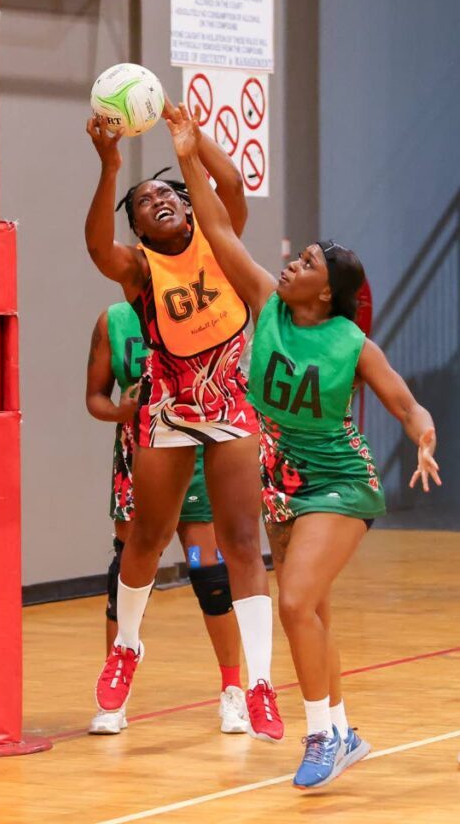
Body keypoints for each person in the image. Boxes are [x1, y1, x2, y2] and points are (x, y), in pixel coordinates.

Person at [164, 101, 442, 791]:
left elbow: (404, 402)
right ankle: (343, 727)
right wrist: (188, 152)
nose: (291, 264)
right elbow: (218, 227)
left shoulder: (351, 343)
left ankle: (320, 735)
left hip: (340, 481)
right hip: (280, 481)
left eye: (308, 262)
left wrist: (423, 436)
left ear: (327, 291)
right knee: (311, 612)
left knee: (292, 603)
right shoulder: (263, 301)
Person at [84, 107, 283, 742]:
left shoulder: (218, 241)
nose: (159, 200)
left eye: (168, 191)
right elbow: (95, 246)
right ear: (138, 228)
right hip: (167, 412)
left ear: (187, 207)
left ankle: (256, 682)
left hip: (230, 405)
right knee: (144, 537)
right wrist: (112, 167)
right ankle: (128, 647)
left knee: (241, 544)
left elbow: (232, 191)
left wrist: (193, 148)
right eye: (144, 201)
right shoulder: (140, 272)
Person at [86, 300, 248, 735]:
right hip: (139, 455)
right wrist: (121, 410)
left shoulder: (200, 307)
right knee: (127, 569)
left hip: (194, 453)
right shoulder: (114, 320)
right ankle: (117, 695)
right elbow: (94, 399)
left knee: (206, 571)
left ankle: (233, 691)